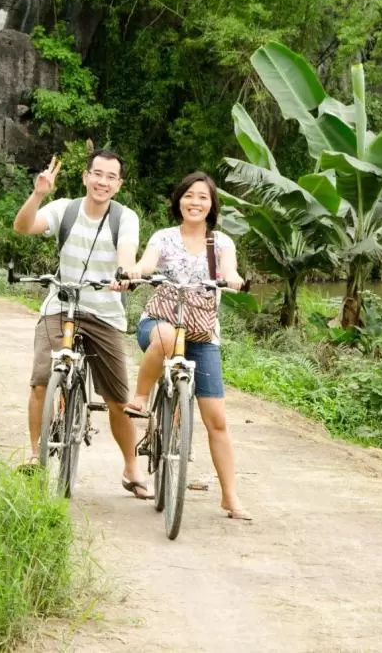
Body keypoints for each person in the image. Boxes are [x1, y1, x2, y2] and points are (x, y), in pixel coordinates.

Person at [12, 149, 153, 499]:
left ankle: (131, 468)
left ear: (118, 185)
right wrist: (38, 194)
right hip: (61, 305)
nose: (102, 182)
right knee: (41, 380)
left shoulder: (126, 217)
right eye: (97, 174)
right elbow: (23, 227)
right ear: (85, 177)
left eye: (110, 177)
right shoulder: (65, 209)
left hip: (105, 312)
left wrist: (125, 274)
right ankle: (34, 454)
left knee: (118, 399)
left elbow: (127, 251)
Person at [122, 171, 252, 520]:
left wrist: (234, 280)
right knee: (165, 337)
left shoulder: (221, 243)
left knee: (217, 420)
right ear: (179, 200)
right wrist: (136, 273)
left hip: (201, 334)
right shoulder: (163, 237)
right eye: (189, 196)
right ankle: (140, 397)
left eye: (203, 198)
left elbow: (230, 270)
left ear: (211, 206)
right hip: (160, 324)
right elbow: (146, 264)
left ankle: (230, 497)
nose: (195, 202)